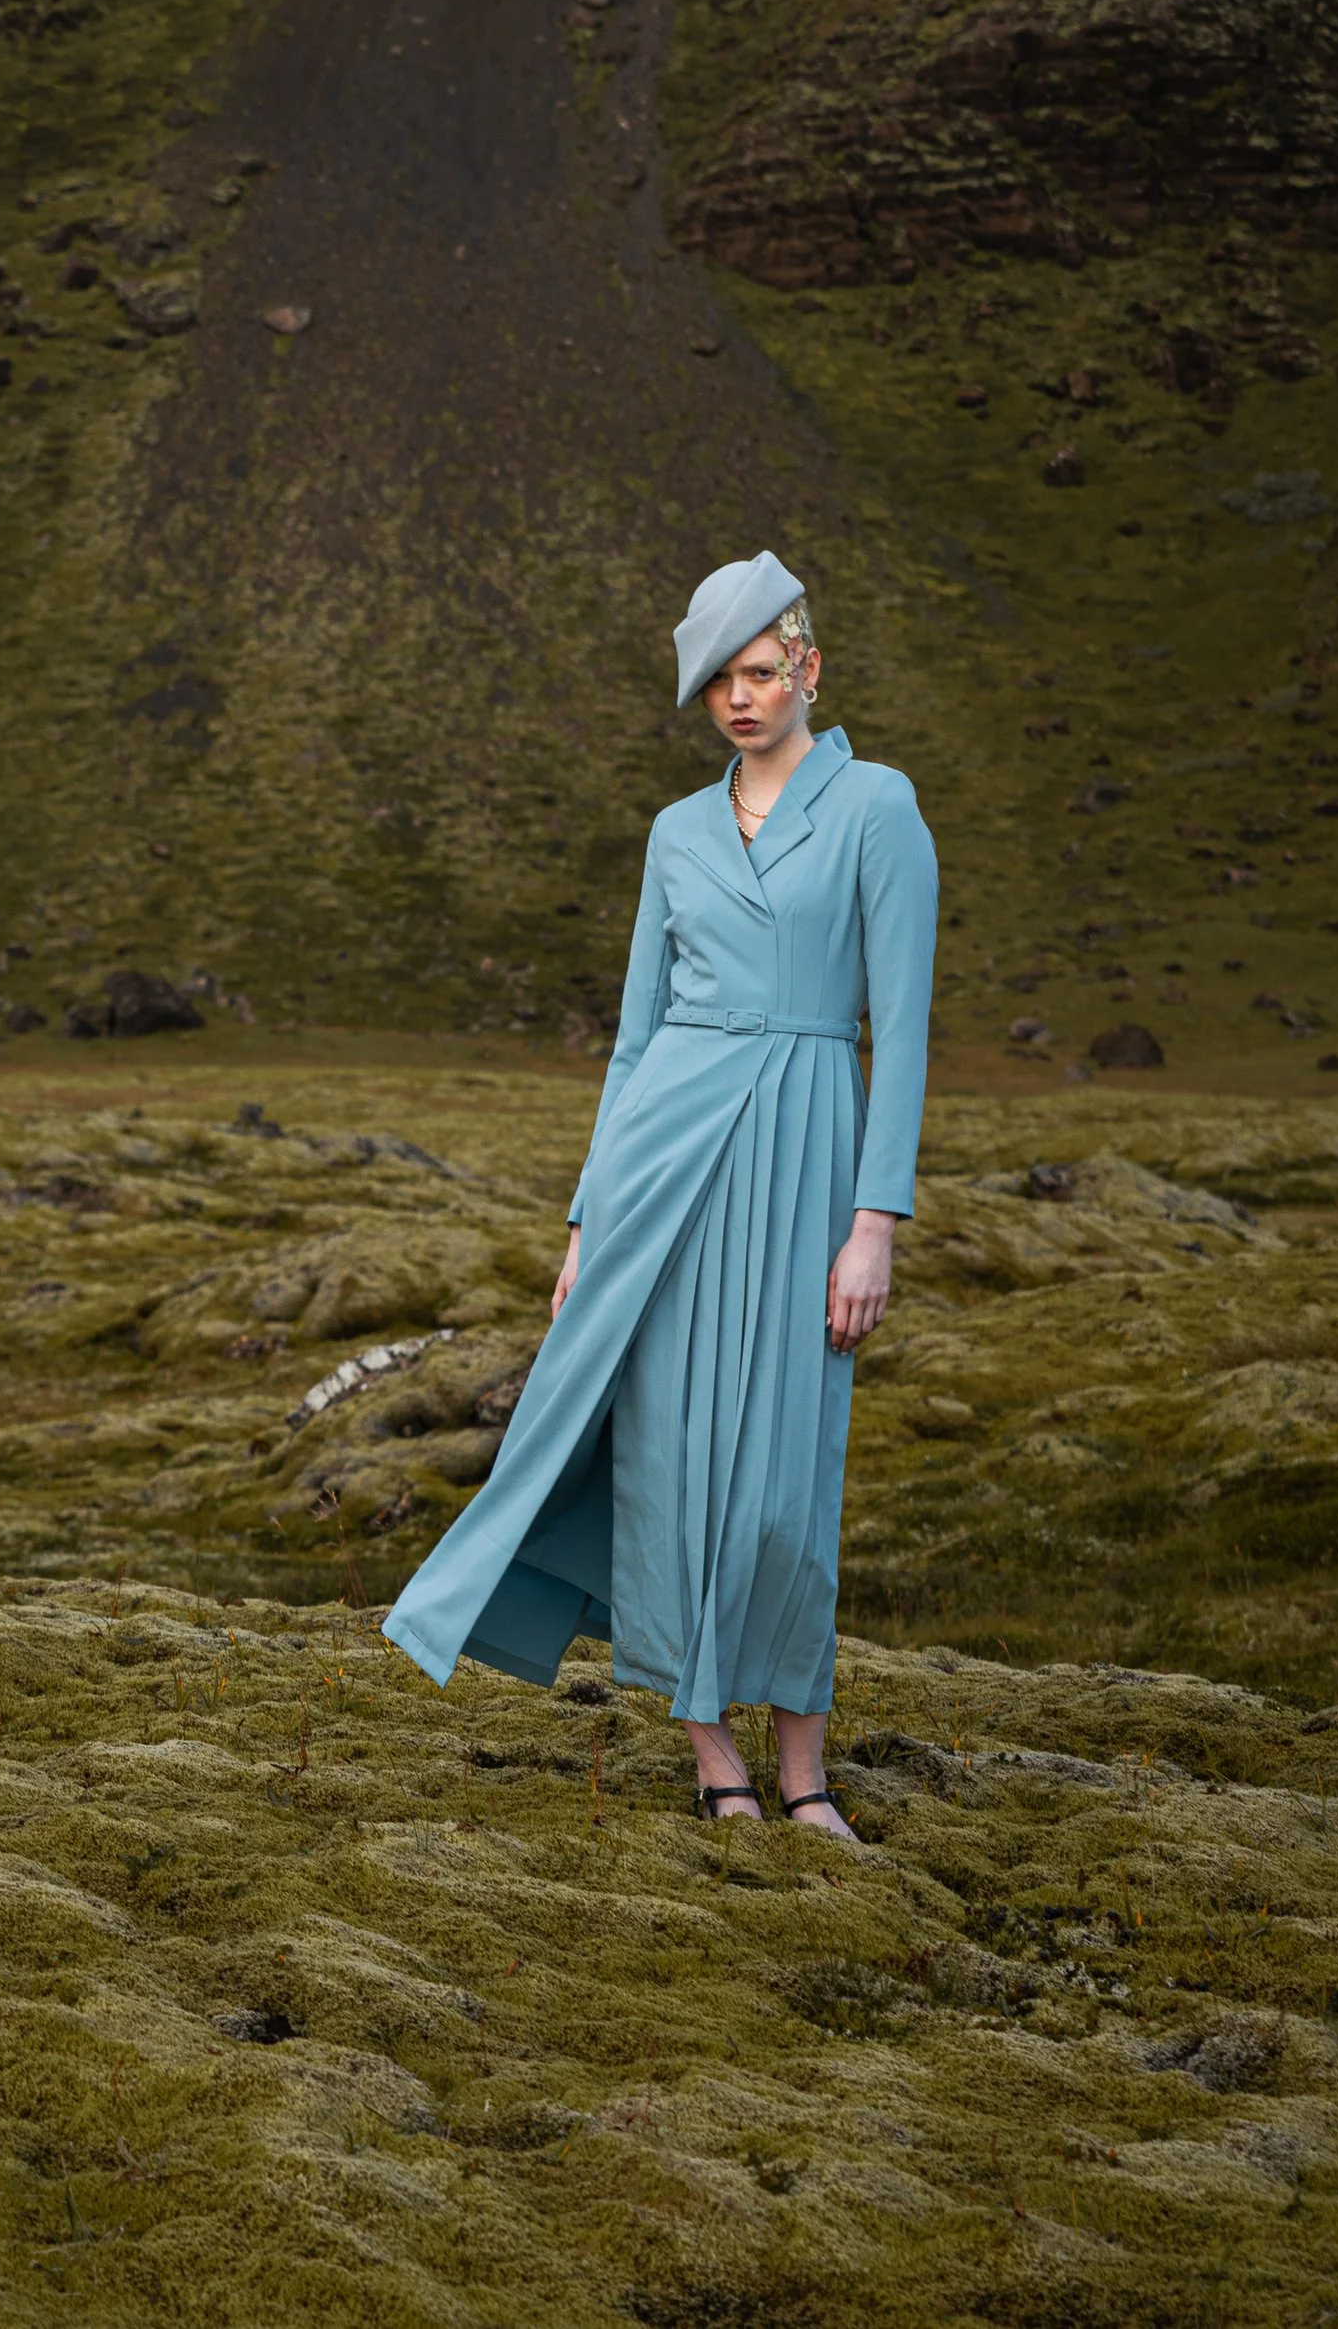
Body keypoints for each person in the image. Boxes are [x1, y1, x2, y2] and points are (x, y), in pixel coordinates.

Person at [382, 552, 937, 1835]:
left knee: (787, 1481)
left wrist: (875, 1223)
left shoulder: (878, 808)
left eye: (757, 672)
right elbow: (634, 1039)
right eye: (717, 685)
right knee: (670, 1460)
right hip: (659, 1165)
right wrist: (586, 1219)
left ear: (806, 667)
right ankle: (712, 1759)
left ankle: (804, 1769)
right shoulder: (677, 832)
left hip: (806, 1150)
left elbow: (898, 1032)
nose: (738, 700)